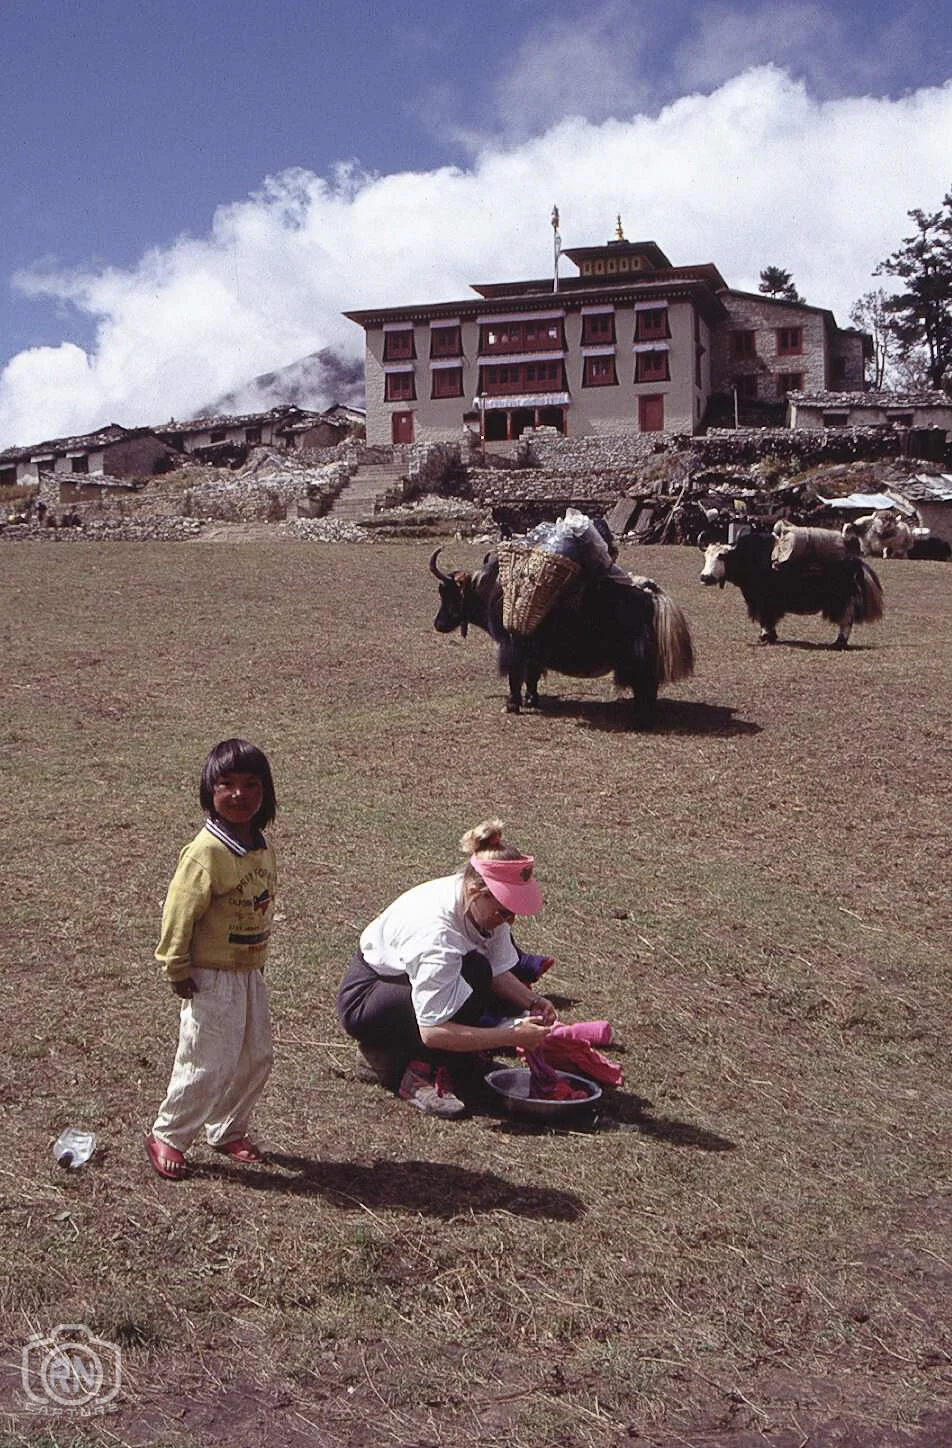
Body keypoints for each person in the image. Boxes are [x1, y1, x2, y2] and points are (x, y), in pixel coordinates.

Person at [337, 819, 557, 1118]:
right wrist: (512, 1035)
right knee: (468, 978)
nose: (510, 920)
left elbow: (494, 971)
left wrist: (534, 1002)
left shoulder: (482, 907)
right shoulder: (437, 935)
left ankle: (451, 1062)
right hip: (368, 999)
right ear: (475, 889)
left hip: (407, 981)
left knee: (476, 971)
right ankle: (419, 1073)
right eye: (505, 911)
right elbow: (433, 1032)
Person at [145, 739, 278, 1180]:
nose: (239, 794)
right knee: (207, 1058)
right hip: (210, 974)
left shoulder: (258, 845)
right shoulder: (205, 853)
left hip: (247, 970)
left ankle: (226, 1128)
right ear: (209, 790)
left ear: (266, 792)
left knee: (255, 1055)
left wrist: (257, 958)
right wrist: (176, 966)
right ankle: (169, 1134)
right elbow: (179, 913)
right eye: (227, 784)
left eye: (251, 784)